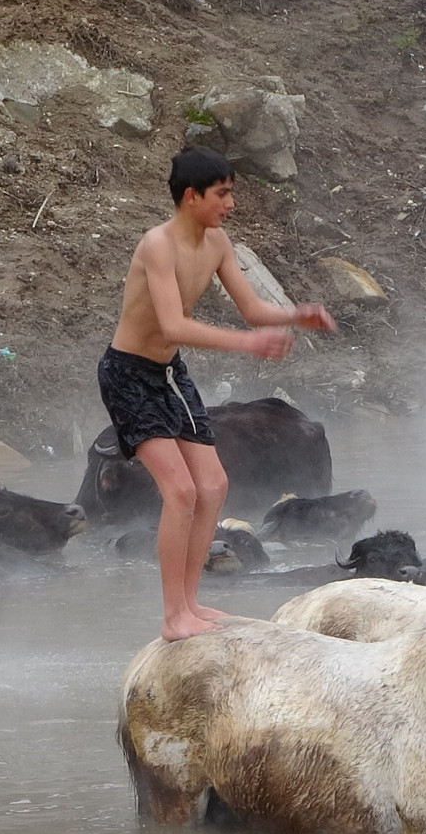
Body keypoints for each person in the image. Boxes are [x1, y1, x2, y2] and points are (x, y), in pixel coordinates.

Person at [100, 146, 335, 641]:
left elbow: (252, 309)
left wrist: (297, 314)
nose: (230, 204)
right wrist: (247, 345)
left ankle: (190, 602)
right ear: (192, 196)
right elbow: (172, 323)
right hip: (126, 374)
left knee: (214, 486)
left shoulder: (218, 243)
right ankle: (172, 617)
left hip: (169, 374)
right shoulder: (157, 245)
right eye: (223, 194)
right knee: (180, 491)